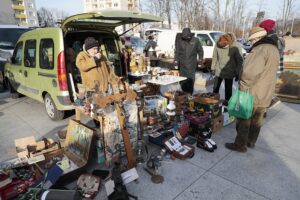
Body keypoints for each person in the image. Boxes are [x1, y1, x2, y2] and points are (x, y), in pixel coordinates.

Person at [225, 27, 280, 152]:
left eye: (251, 39)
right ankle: (251, 142)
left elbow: (250, 73)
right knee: (257, 119)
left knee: (244, 119)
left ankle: (240, 145)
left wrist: (243, 88)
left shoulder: (259, 49)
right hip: (266, 92)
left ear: (256, 38)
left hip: (253, 92)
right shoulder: (274, 48)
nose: (251, 42)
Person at [211, 33, 243, 105]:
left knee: (228, 89)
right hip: (219, 70)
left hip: (230, 71)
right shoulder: (217, 44)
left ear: (228, 42)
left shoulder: (236, 46)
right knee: (215, 87)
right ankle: (213, 101)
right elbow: (215, 57)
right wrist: (213, 68)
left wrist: (238, 72)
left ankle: (227, 103)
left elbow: (240, 60)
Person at [174, 28, 203, 95]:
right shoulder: (180, 41)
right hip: (182, 64)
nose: (186, 39)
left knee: (190, 80)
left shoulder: (196, 40)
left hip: (192, 64)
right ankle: (184, 93)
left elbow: (200, 50)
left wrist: (200, 60)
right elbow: (177, 52)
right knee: (182, 80)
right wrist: (176, 61)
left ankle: (190, 94)